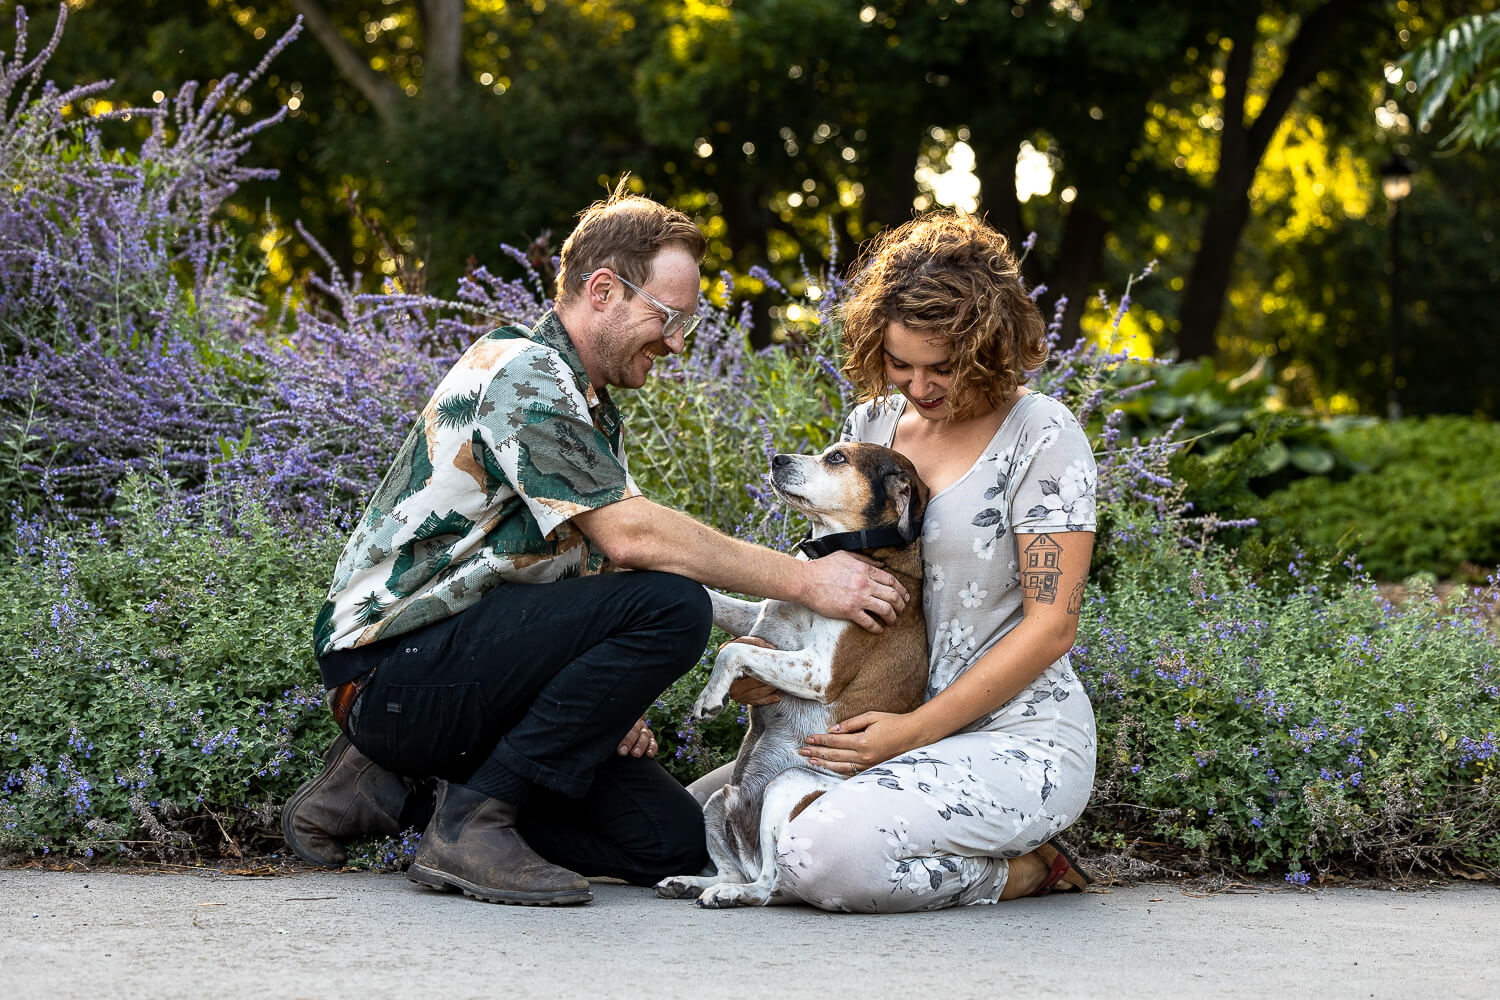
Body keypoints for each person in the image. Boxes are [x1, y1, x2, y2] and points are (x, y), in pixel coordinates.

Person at [283, 183, 909, 906]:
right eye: (669, 318)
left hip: (461, 677)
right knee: (673, 607)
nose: (677, 343)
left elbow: (590, 567)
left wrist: (599, 699)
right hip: (394, 672)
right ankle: (470, 825)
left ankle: (392, 795)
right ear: (604, 290)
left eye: (690, 326)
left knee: (669, 842)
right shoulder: (522, 374)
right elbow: (632, 536)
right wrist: (807, 582)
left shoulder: (586, 403)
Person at [696, 212, 1097, 912]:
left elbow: (1052, 627)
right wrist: (766, 666)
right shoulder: (873, 427)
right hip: (867, 723)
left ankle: (1024, 871)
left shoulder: (1043, 435)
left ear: (991, 347)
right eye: (899, 362)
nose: (917, 386)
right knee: (680, 833)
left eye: (942, 367)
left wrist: (911, 732)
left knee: (819, 856)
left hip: (1010, 737)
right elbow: (836, 593)